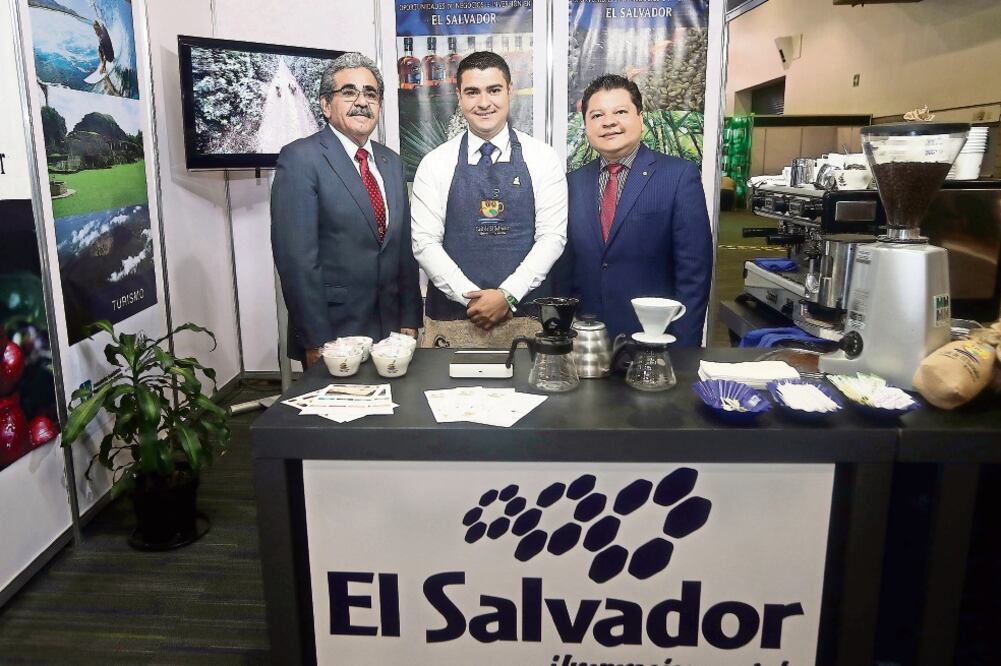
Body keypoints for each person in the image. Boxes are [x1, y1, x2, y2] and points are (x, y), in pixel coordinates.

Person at [271, 52, 421, 367]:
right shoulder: (301, 159)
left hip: (391, 331)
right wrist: (316, 339)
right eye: (349, 92)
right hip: (334, 332)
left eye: (371, 93)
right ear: (326, 105)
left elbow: (401, 248)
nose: (362, 102)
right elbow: (298, 262)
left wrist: (410, 317)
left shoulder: (391, 161)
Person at [411, 51, 567, 348]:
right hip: (453, 320)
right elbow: (424, 242)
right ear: (459, 96)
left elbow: (552, 238)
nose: (484, 103)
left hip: (526, 319)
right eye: (472, 92)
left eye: (494, 90)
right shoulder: (435, 163)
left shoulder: (543, 158)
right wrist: (473, 300)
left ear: (509, 91)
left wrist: (506, 296)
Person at [560, 74, 712, 346]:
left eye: (620, 111)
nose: (608, 122)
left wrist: (684, 352)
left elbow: (694, 274)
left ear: (640, 118)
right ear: (585, 125)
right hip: (586, 342)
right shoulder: (573, 183)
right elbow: (566, 269)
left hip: (654, 342)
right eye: (596, 115)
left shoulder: (678, 176)